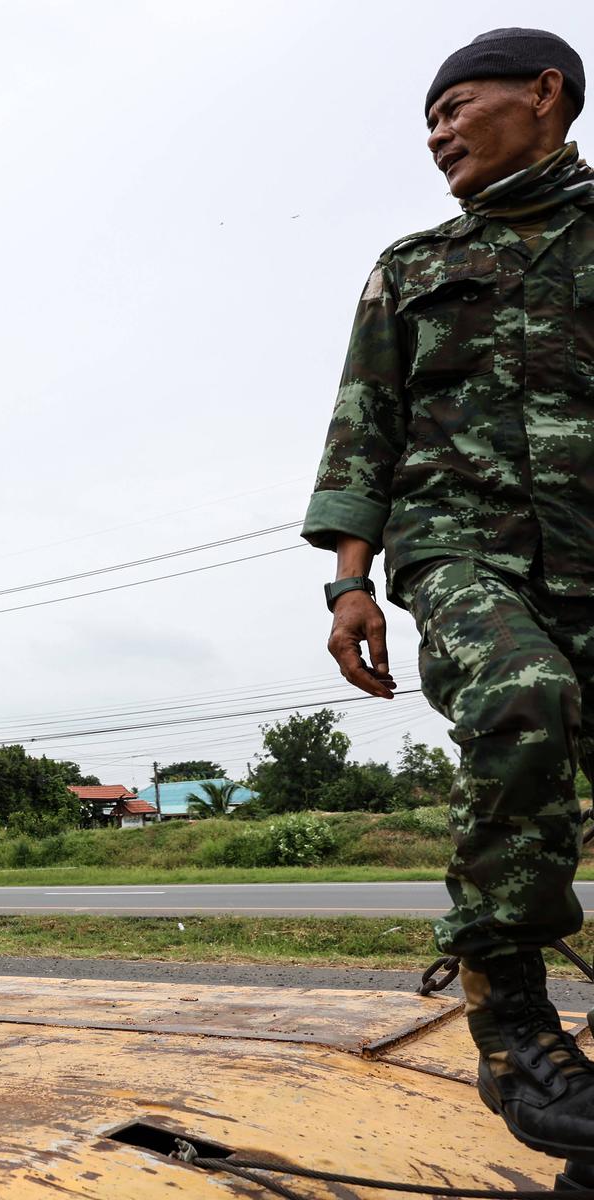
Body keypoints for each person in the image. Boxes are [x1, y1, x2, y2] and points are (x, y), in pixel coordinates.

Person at [304, 27, 594, 1160]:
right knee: (524, 698)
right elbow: (362, 430)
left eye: (455, 108)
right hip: (464, 549)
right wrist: (350, 585)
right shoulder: (413, 266)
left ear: (545, 93)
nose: (437, 136)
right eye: (428, 120)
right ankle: (509, 1021)